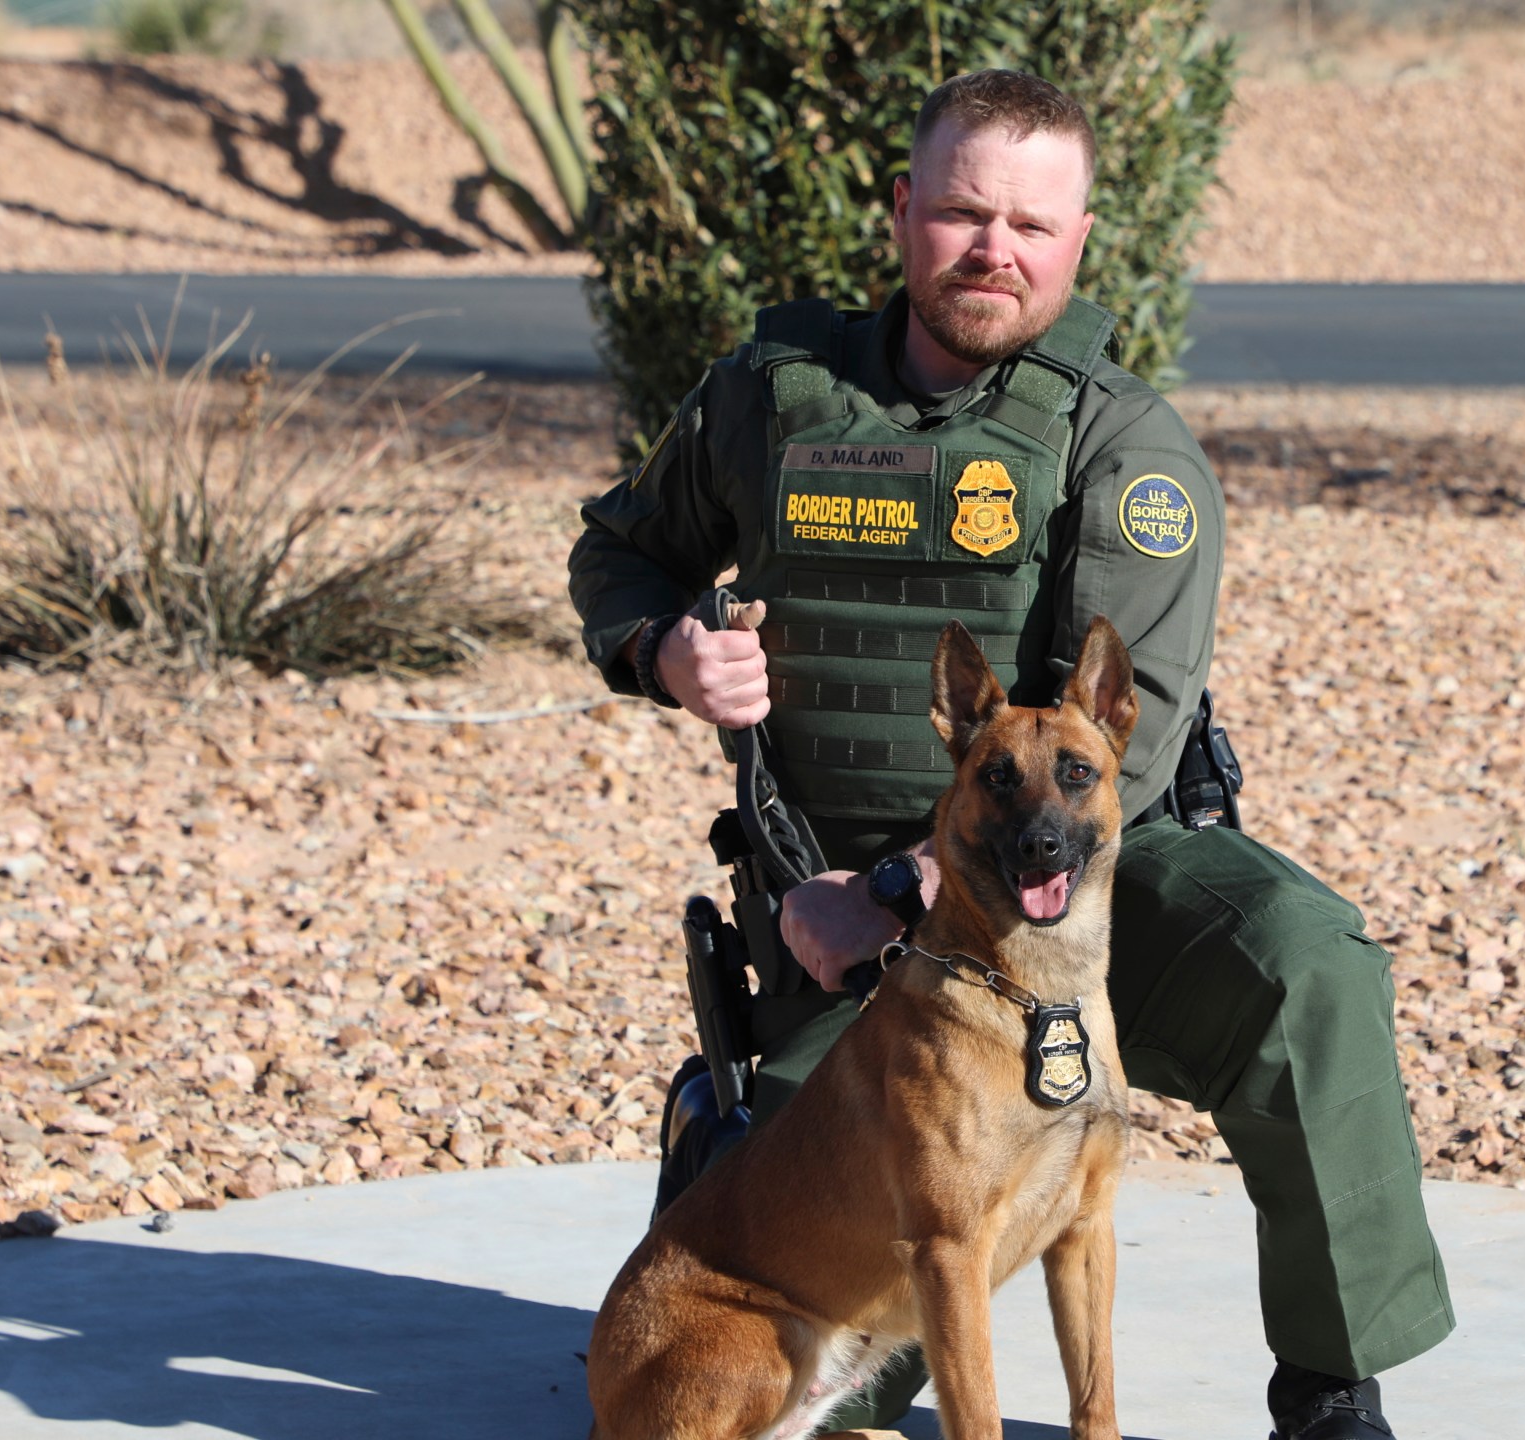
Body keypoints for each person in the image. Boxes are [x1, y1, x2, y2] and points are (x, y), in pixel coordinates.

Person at [567, 68, 1451, 1440]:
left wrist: (910, 881)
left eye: (1032, 225)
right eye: (966, 212)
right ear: (904, 210)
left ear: (1081, 237)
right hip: (847, 961)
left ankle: (1333, 1389)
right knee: (815, 1385)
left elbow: (1126, 740)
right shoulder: (769, 398)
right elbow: (620, 552)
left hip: (1092, 897)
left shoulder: (1118, 440)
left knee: (1307, 963)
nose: (996, 249)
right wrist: (664, 651)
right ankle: (723, 1152)